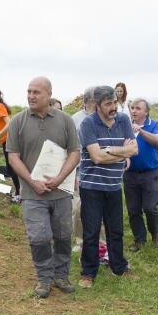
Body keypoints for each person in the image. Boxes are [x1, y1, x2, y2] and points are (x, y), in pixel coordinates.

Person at [5, 77, 81, 298]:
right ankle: (44, 278)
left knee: (63, 235)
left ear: (49, 94)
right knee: (38, 237)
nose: (31, 96)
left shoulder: (65, 121)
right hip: (32, 193)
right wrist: (31, 181)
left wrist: (59, 178)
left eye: (36, 92)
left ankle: (61, 275)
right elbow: (13, 157)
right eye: (29, 91)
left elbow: (74, 153)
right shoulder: (18, 121)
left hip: (60, 192)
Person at [78, 85, 138, 288]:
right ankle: (88, 272)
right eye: (108, 104)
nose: (113, 107)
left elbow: (134, 150)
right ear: (97, 105)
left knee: (116, 230)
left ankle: (118, 267)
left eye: (114, 102)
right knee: (91, 231)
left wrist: (110, 150)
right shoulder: (88, 124)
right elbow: (95, 156)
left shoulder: (123, 120)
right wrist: (122, 152)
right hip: (92, 187)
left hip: (113, 185)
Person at [124, 98, 158, 251]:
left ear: (146, 111)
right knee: (133, 209)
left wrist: (140, 130)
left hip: (149, 172)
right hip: (130, 173)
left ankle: (155, 233)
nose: (134, 111)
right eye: (132, 108)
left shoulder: (154, 125)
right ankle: (139, 239)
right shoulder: (125, 126)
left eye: (138, 108)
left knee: (150, 207)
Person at [71, 87, 97, 253]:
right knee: (78, 208)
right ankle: (80, 242)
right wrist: (72, 172)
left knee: (99, 208)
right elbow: (71, 147)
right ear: (90, 101)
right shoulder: (76, 119)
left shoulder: (106, 119)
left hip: (100, 170)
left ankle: (100, 243)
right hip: (80, 171)